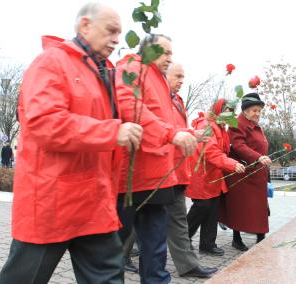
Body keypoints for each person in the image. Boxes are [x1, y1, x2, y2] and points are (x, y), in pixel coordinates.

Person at [0, 3, 143, 284]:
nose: (116, 39)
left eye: (119, 33)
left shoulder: (102, 72)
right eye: (111, 30)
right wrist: (111, 133)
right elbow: (43, 123)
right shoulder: (51, 62)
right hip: (53, 201)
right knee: (24, 278)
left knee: (109, 276)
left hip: (93, 201)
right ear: (85, 26)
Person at [116, 34, 198, 283]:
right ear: (147, 51)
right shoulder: (132, 69)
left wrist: (188, 134)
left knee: (155, 246)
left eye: (171, 53)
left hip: (157, 175)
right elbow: (130, 108)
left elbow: (166, 122)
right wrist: (172, 134)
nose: (169, 58)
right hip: (132, 176)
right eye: (164, 52)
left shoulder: (159, 80)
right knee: (114, 248)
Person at [165, 63, 218, 278]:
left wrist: (191, 134)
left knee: (178, 221)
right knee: (136, 223)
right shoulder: (158, 98)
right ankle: (122, 256)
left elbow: (176, 129)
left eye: (183, 77)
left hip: (176, 171)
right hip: (160, 172)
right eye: (177, 76)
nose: (181, 81)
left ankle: (188, 266)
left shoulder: (177, 100)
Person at [186, 99, 245, 256]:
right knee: (202, 206)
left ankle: (207, 243)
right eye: (227, 110)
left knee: (212, 208)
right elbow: (210, 152)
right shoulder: (206, 125)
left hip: (213, 176)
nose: (230, 114)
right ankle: (183, 239)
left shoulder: (220, 127)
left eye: (232, 111)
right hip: (202, 175)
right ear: (219, 110)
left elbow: (221, 151)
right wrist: (232, 164)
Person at [219, 93, 271, 251]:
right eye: (254, 110)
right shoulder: (237, 124)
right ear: (245, 111)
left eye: (259, 111)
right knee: (240, 207)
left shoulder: (254, 124)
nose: (257, 113)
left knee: (259, 208)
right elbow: (238, 146)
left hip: (257, 173)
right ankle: (236, 238)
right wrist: (258, 157)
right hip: (243, 173)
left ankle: (261, 236)